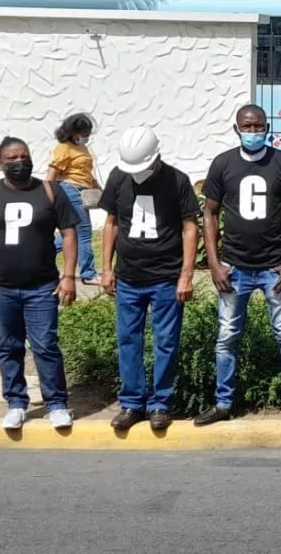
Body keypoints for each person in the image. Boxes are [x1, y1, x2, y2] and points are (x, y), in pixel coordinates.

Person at [197, 104, 281, 427]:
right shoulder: (223, 164)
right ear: (237, 129)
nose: (253, 131)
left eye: (258, 126)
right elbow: (209, 212)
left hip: (275, 267)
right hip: (234, 266)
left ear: (267, 127)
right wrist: (214, 261)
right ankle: (223, 403)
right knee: (227, 336)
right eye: (247, 127)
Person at [0, 137, 80, 431]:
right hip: (0, 287)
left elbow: (69, 234)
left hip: (42, 286)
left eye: (24, 156)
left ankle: (56, 404)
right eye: (12, 158)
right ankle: (16, 402)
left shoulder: (50, 192)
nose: (19, 162)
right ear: (0, 164)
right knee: (9, 345)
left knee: (46, 346)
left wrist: (68, 277)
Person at [98, 127, 200, 431]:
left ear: (156, 157)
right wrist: (106, 269)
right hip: (129, 277)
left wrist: (186, 275)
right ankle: (131, 403)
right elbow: (111, 224)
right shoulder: (118, 177)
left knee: (166, 342)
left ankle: (160, 403)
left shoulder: (177, 181)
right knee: (128, 341)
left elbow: (189, 228)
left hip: (166, 278)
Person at [45, 112, 99, 284]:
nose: (86, 137)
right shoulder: (64, 148)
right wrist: (46, 195)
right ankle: (88, 273)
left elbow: (85, 172)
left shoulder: (81, 148)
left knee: (74, 234)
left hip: (83, 190)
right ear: (73, 132)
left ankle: (40, 252)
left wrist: (98, 187)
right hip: (71, 190)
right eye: (84, 134)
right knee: (84, 232)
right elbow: (52, 173)